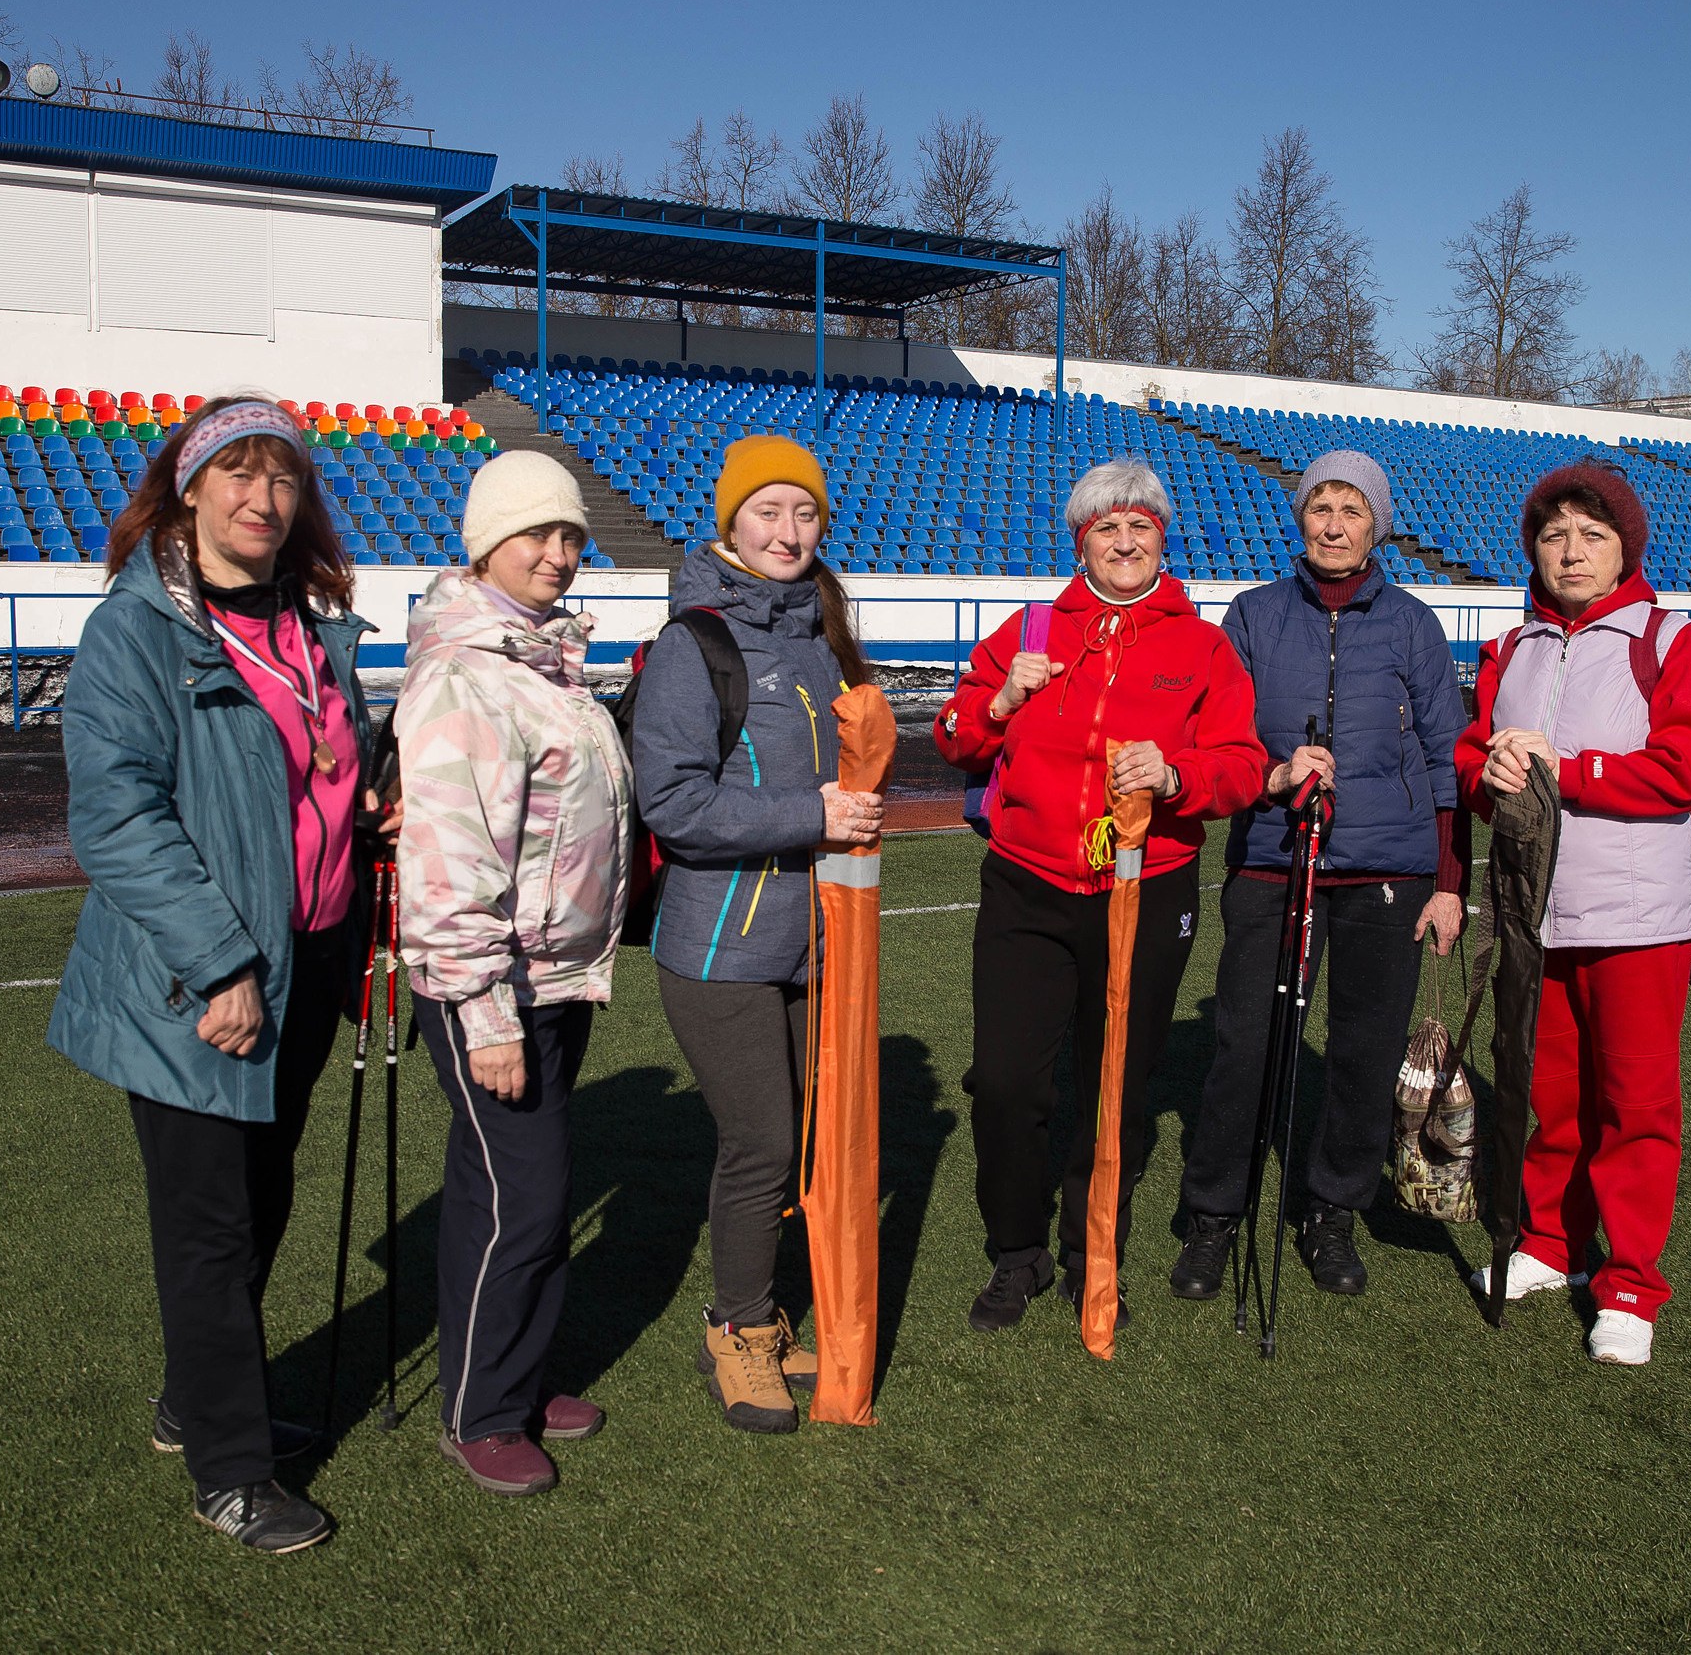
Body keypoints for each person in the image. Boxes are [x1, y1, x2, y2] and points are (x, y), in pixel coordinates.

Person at [49, 397, 381, 1554]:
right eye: (236, 474)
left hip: (309, 961)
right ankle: (232, 1473)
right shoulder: (135, 630)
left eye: (282, 480)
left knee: (265, 1196)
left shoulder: (307, 621)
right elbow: (117, 814)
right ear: (187, 488)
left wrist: (367, 803)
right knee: (210, 1222)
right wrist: (221, 962)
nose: (261, 500)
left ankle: (198, 1397)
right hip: (199, 984)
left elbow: (323, 766)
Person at [937, 459, 1267, 1333]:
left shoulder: (1202, 645)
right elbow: (955, 737)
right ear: (1080, 540)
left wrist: (1177, 774)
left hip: (1145, 888)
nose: (1125, 541)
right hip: (1029, 883)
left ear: (1164, 538)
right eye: (1105, 527)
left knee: (1115, 1084)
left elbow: (1242, 767)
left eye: (1141, 526)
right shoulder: (1032, 627)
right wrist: (1002, 700)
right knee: (1006, 1081)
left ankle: (1094, 1251)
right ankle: (1017, 1252)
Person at [1171, 451, 1471, 1302]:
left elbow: (1449, 759)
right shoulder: (1254, 616)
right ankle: (1213, 1214)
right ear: (1299, 519)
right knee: (1245, 1047)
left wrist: (1450, 881)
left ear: (1378, 525)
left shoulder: (1413, 623)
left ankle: (1332, 1207)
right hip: (1274, 860)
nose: (1334, 525)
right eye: (1321, 508)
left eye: (1352, 510)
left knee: (1364, 1052)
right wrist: (1273, 767)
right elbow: (1217, 737)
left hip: (1391, 870)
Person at [395, 451, 634, 1496]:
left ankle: (517, 1377)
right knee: (521, 1199)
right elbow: (449, 858)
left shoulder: (537, 657)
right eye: (536, 533)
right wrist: (485, 1012)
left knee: (511, 1189)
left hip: (551, 972)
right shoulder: (468, 671)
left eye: (571, 535)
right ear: (485, 540)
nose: (557, 552)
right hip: (492, 982)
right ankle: (479, 1412)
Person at [633, 434, 880, 1435]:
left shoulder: (822, 635)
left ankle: (764, 1311)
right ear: (729, 521)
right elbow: (673, 802)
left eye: (804, 513)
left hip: (814, 940)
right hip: (720, 944)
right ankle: (737, 1328)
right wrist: (810, 815)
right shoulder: (695, 642)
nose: (787, 531)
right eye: (767, 511)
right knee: (761, 1141)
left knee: (802, 1139)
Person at [1452, 459, 1691, 1366]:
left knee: (1635, 1104)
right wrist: (1482, 775)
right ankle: (1550, 1245)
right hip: (1537, 909)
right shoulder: (1510, 648)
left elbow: (1682, 770)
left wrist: (1571, 766)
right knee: (1550, 1093)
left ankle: (1632, 1284)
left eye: (1591, 537)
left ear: (1624, 551)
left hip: (1636, 915)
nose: (1570, 553)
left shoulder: (1669, 638)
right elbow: (1473, 761)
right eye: (1554, 535)